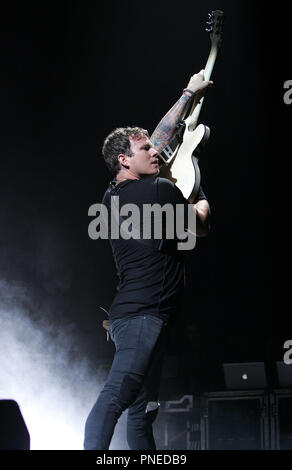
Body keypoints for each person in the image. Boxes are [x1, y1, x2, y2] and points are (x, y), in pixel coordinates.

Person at [84, 70, 212, 450]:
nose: (155, 152)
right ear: (124, 159)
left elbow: (159, 139)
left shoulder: (112, 196)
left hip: (131, 317)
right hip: (145, 316)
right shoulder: (159, 190)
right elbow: (201, 224)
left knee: (141, 413)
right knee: (116, 397)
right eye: (144, 152)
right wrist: (198, 183)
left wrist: (189, 93)